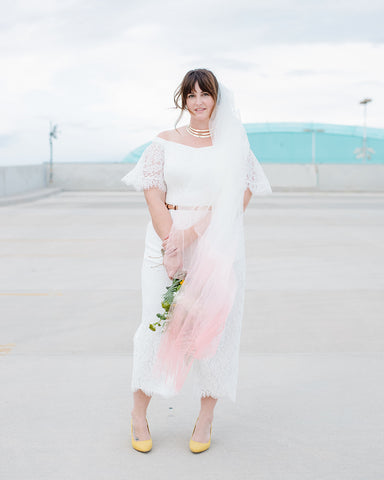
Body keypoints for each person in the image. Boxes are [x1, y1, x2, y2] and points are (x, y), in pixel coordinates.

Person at [121, 68, 272, 453]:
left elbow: (241, 194)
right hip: (164, 239)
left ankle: (205, 418)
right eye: (192, 95)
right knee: (156, 325)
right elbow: (153, 192)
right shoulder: (163, 142)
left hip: (217, 243)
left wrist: (192, 236)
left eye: (206, 94)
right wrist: (171, 241)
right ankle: (139, 414)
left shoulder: (234, 145)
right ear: (183, 100)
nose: (199, 101)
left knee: (213, 331)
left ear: (217, 99)